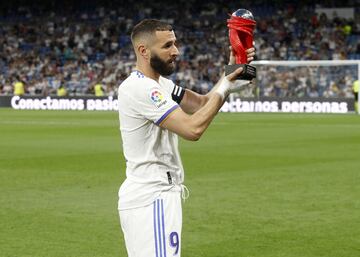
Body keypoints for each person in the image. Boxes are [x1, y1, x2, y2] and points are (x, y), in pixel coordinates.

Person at [117, 19, 255, 257]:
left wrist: (230, 74)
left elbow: (201, 104)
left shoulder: (160, 84)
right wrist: (226, 86)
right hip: (152, 197)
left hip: (157, 194)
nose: (176, 51)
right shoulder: (141, 88)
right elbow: (193, 129)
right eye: (168, 45)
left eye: (175, 43)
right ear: (143, 50)